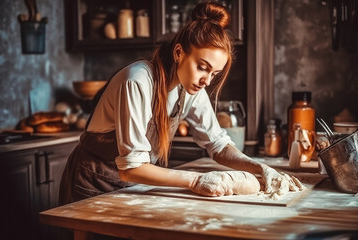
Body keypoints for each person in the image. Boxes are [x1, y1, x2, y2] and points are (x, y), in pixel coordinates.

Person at [59, 1, 304, 206]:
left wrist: (259, 168)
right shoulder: (137, 81)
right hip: (93, 182)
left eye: (214, 74)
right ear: (179, 52)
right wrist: (195, 180)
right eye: (202, 67)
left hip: (134, 186)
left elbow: (217, 145)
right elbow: (130, 168)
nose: (206, 80)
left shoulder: (191, 88)